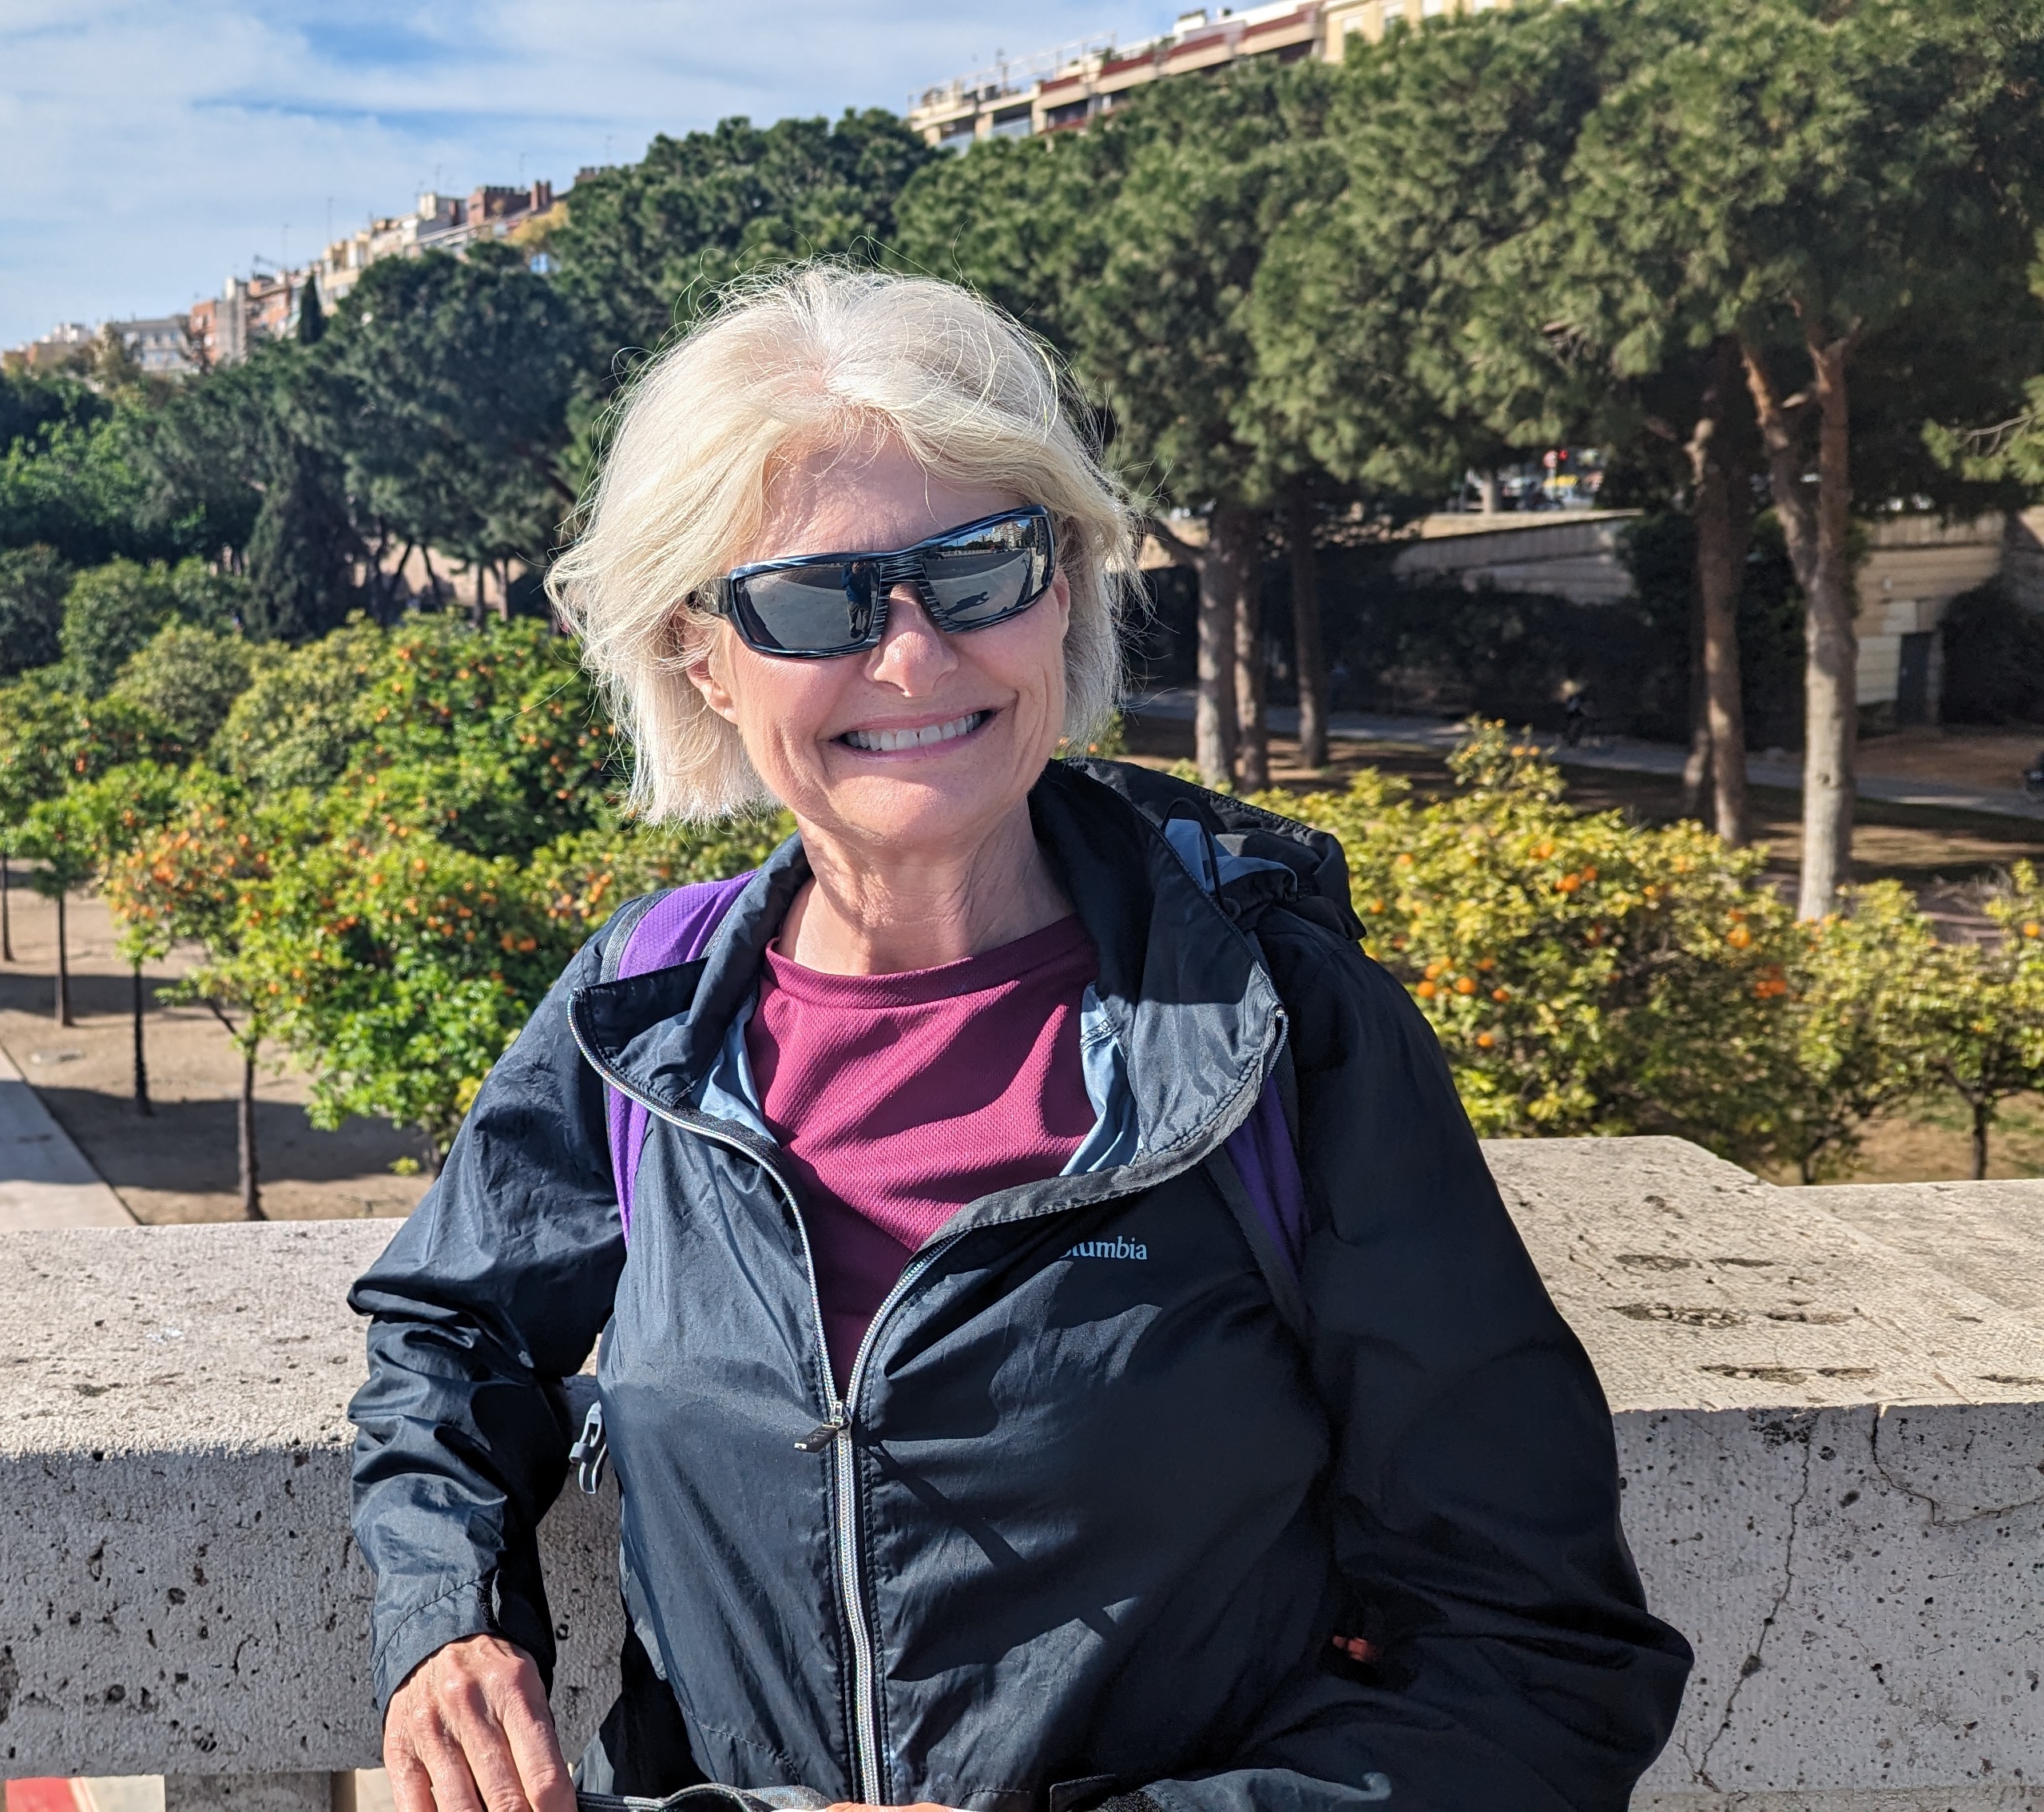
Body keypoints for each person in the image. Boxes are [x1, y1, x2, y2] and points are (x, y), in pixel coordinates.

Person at [346, 269, 1689, 1812]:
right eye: (815, 600)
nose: (914, 656)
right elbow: (452, 1330)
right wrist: (445, 1613)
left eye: (978, 566)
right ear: (700, 656)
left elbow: (1539, 1660)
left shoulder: (1276, 1027)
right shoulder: (648, 1003)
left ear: (1063, 592)